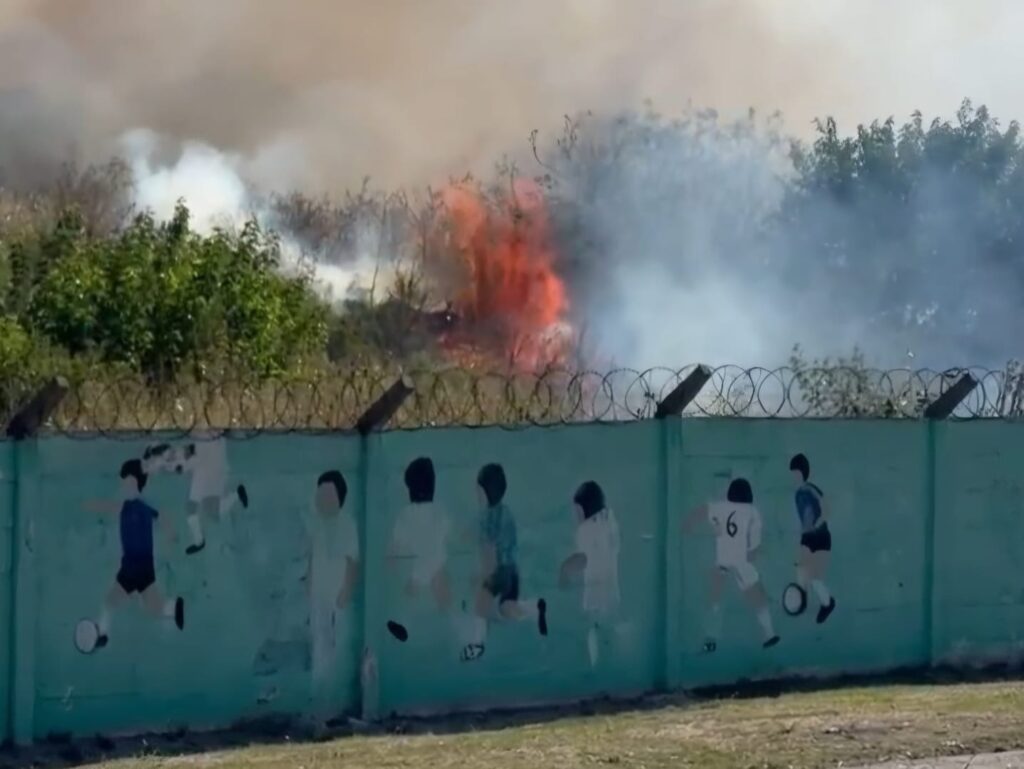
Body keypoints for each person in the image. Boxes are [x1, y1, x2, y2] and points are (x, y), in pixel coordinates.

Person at [83, 459, 185, 649]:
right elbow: (162, 518)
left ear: (134, 481)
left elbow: (112, 507)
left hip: (131, 565)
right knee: (152, 606)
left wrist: (92, 504)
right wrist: (172, 534)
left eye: (126, 480)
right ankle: (172, 608)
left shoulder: (133, 506)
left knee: (109, 602)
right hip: (145, 565)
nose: (123, 484)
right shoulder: (138, 507)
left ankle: (103, 634)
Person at [460, 463, 548, 662]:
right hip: (512, 572)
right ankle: (534, 608)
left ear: (485, 492)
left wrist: (482, 578)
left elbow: (489, 552)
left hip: (498, 571)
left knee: (481, 602)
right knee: (507, 607)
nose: (476, 495)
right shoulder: (506, 513)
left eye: (478, 491)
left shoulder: (487, 518)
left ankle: (477, 644)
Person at [684, 478, 779, 652]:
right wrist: (754, 553)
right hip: (741, 561)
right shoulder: (752, 511)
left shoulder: (720, 507)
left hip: (722, 560)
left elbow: (702, 511)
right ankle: (769, 634)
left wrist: (690, 525)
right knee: (758, 599)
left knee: (715, 600)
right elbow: (754, 547)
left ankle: (710, 639)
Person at [307, 470, 359, 720]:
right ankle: (320, 706)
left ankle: (335, 705)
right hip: (318, 597)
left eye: (327, 494)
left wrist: (346, 590)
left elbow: (352, 561)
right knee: (320, 648)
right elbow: (311, 559)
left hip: (337, 597)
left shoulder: (346, 524)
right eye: (320, 494)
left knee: (336, 647)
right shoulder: (316, 524)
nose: (322, 500)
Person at [386, 457, 451, 642]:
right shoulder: (440, 511)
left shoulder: (406, 514)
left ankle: (403, 624)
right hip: (437, 561)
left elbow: (395, 544)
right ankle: (463, 631)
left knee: (410, 594)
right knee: (444, 600)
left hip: (420, 565)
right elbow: (447, 534)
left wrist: (390, 560)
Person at [559, 481, 620, 667]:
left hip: (594, 591)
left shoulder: (585, 529)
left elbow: (583, 558)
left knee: (592, 632)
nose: (576, 515)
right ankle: (611, 669)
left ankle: (596, 670)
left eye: (577, 509)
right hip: (612, 590)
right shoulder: (610, 522)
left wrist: (565, 569)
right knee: (608, 633)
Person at [179, 435, 249, 555]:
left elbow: (195, 454)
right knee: (210, 509)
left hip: (208, 471)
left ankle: (199, 541)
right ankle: (237, 495)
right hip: (215, 469)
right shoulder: (216, 438)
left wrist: (184, 464)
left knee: (193, 509)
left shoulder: (205, 440)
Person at [789, 454, 836, 624]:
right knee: (801, 572)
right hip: (807, 538)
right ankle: (802, 601)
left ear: (802, 473)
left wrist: (818, 522)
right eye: (792, 473)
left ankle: (828, 603)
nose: (793, 477)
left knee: (815, 577)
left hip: (821, 537)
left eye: (796, 473)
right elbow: (804, 520)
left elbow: (827, 509)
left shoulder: (810, 489)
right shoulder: (797, 495)